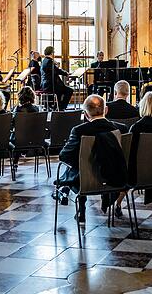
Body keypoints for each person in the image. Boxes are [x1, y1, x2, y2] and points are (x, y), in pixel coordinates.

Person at [52, 95, 127, 223]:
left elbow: (64, 156)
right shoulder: (121, 129)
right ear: (106, 110)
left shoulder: (79, 130)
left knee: (80, 166)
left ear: (86, 114)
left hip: (85, 181)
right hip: (116, 179)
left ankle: (69, 198)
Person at [41, 46, 74, 110]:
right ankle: (61, 107)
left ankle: (57, 106)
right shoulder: (49, 61)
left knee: (61, 91)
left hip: (46, 84)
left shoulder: (44, 60)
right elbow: (57, 70)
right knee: (69, 90)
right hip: (51, 85)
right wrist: (66, 73)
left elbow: (54, 70)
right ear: (52, 53)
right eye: (54, 52)